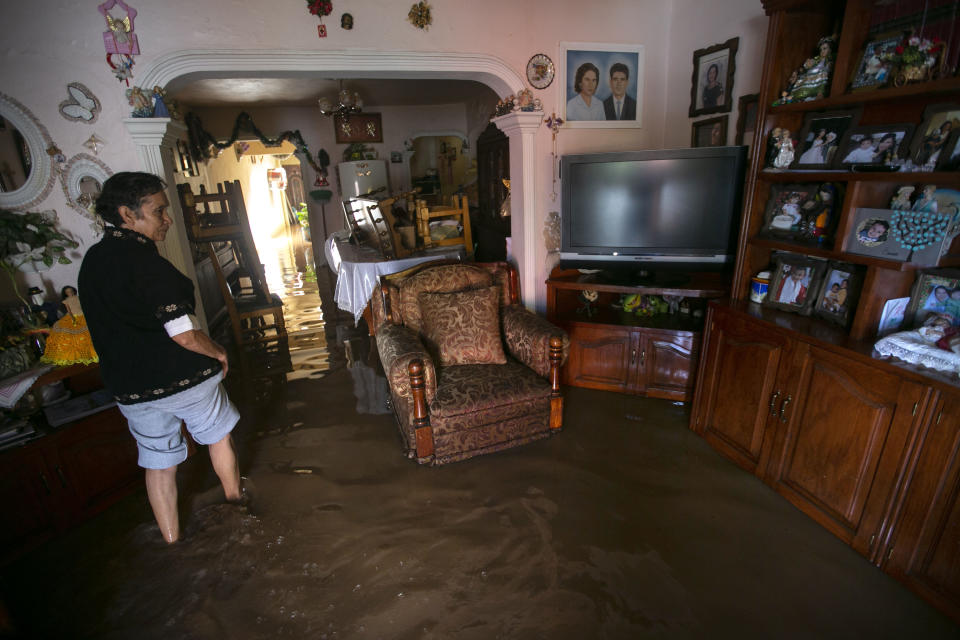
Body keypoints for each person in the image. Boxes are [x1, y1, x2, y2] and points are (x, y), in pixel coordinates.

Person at [78, 172, 242, 544]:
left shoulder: (93, 260)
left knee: (158, 463)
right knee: (218, 438)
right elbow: (183, 334)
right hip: (180, 378)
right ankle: (237, 506)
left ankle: (172, 540)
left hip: (132, 387)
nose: (167, 219)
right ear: (127, 213)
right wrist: (218, 352)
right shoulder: (145, 261)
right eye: (159, 211)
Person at [39, 286, 99, 366]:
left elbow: (84, 306)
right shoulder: (66, 301)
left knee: (88, 332)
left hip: (82, 315)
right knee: (63, 332)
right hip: (73, 316)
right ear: (65, 293)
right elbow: (69, 311)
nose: (70, 293)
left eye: (71, 291)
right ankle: (71, 354)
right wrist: (72, 318)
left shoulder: (79, 298)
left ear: (74, 291)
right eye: (68, 292)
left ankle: (93, 351)